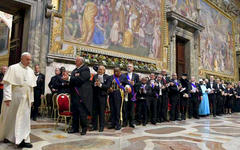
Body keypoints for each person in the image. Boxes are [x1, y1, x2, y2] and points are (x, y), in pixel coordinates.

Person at [0, 52, 37, 148]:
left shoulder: (30, 71)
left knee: (24, 120)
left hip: (26, 99)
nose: (29, 61)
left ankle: (23, 139)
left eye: (30, 59)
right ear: (22, 58)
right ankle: (8, 136)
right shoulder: (13, 68)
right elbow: (7, 84)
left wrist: (31, 99)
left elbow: (31, 87)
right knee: (11, 118)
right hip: (15, 97)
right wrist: (7, 97)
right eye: (27, 59)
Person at [68, 56, 93, 135]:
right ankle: (74, 128)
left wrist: (70, 79)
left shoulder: (85, 69)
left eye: (77, 60)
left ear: (81, 61)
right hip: (74, 94)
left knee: (82, 112)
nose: (75, 61)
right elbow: (73, 80)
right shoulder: (74, 70)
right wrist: (70, 79)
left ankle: (84, 128)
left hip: (82, 94)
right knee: (74, 112)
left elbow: (81, 79)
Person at [91, 65, 109, 132]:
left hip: (102, 97)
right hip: (95, 96)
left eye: (101, 69)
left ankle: (101, 126)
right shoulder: (95, 76)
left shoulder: (107, 77)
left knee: (101, 112)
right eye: (99, 69)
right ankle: (94, 126)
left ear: (104, 70)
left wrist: (100, 85)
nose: (99, 70)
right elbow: (92, 85)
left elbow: (107, 86)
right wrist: (95, 84)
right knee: (94, 112)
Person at [123, 63, 139, 128]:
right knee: (125, 108)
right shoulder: (124, 75)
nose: (129, 67)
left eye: (130, 66)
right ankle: (125, 122)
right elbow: (122, 83)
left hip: (133, 94)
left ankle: (132, 122)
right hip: (126, 94)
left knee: (132, 109)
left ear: (133, 68)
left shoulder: (136, 75)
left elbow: (139, 84)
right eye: (128, 66)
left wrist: (134, 83)